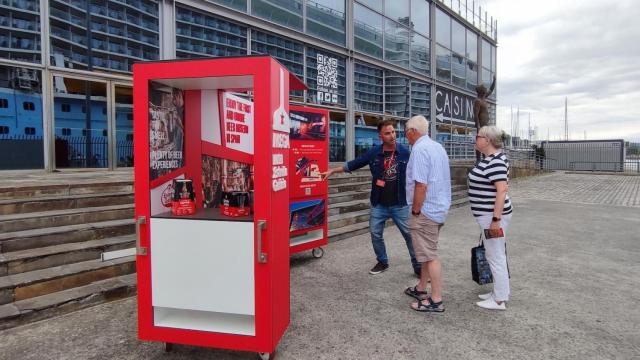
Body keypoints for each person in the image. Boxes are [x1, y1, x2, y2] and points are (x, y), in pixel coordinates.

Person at [322, 120, 421, 276]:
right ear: (380, 136)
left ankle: (418, 266)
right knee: (375, 233)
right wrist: (333, 171)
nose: (392, 135)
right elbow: (354, 164)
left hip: (400, 203)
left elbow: (418, 176)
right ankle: (382, 261)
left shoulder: (405, 153)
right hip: (379, 204)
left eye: (393, 132)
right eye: (388, 133)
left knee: (410, 236)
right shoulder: (374, 152)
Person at [403, 115, 451, 313]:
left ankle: (436, 299)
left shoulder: (420, 149)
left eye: (406, 131)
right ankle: (422, 288)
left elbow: (420, 184)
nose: (406, 136)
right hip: (438, 208)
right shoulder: (437, 147)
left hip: (425, 210)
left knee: (429, 255)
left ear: (413, 131)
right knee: (425, 252)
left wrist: (415, 210)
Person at [468, 125, 514, 310]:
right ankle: (499, 292)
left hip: (492, 216)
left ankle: (499, 299)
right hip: (488, 215)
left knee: (495, 256)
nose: (475, 139)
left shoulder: (494, 161)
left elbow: (502, 190)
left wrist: (495, 220)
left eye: (477, 136)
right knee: (494, 253)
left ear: (487, 140)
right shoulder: (492, 158)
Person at [473, 75, 496, 163]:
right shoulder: (478, 101)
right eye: (483, 92)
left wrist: (494, 81)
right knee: (479, 142)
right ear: (480, 92)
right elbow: (475, 114)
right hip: (481, 125)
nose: (485, 93)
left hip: (485, 125)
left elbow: (491, 90)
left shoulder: (483, 98)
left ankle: (485, 158)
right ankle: (478, 159)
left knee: (485, 142)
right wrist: (478, 126)